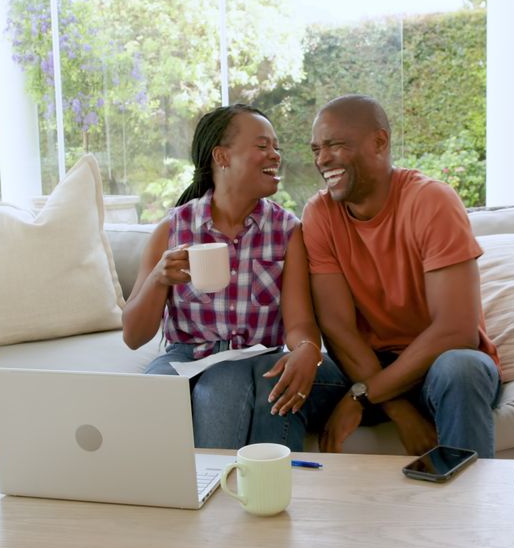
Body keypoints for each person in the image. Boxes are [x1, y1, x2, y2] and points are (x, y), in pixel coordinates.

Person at [121, 103, 346, 451]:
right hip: (186, 356)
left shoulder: (287, 232)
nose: (275, 155)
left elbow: (299, 322)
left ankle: (220, 488)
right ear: (222, 157)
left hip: (254, 357)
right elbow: (134, 336)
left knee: (227, 380)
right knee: (156, 391)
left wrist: (306, 348)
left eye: (276, 147)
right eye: (262, 146)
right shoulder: (173, 228)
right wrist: (158, 280)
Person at [301, 94, 503, 458]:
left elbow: (456, 330)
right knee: (276, 379)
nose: (322, 159)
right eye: (316, 149)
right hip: (363, 369)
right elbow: (338, 328)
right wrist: (395, 408)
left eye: (335, 145)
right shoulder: (319, 214)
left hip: (438, 366)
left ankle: (470, 512)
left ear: (380, 142)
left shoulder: (431, 201)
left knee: (463, 369)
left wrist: (365, 395)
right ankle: (280, 503)